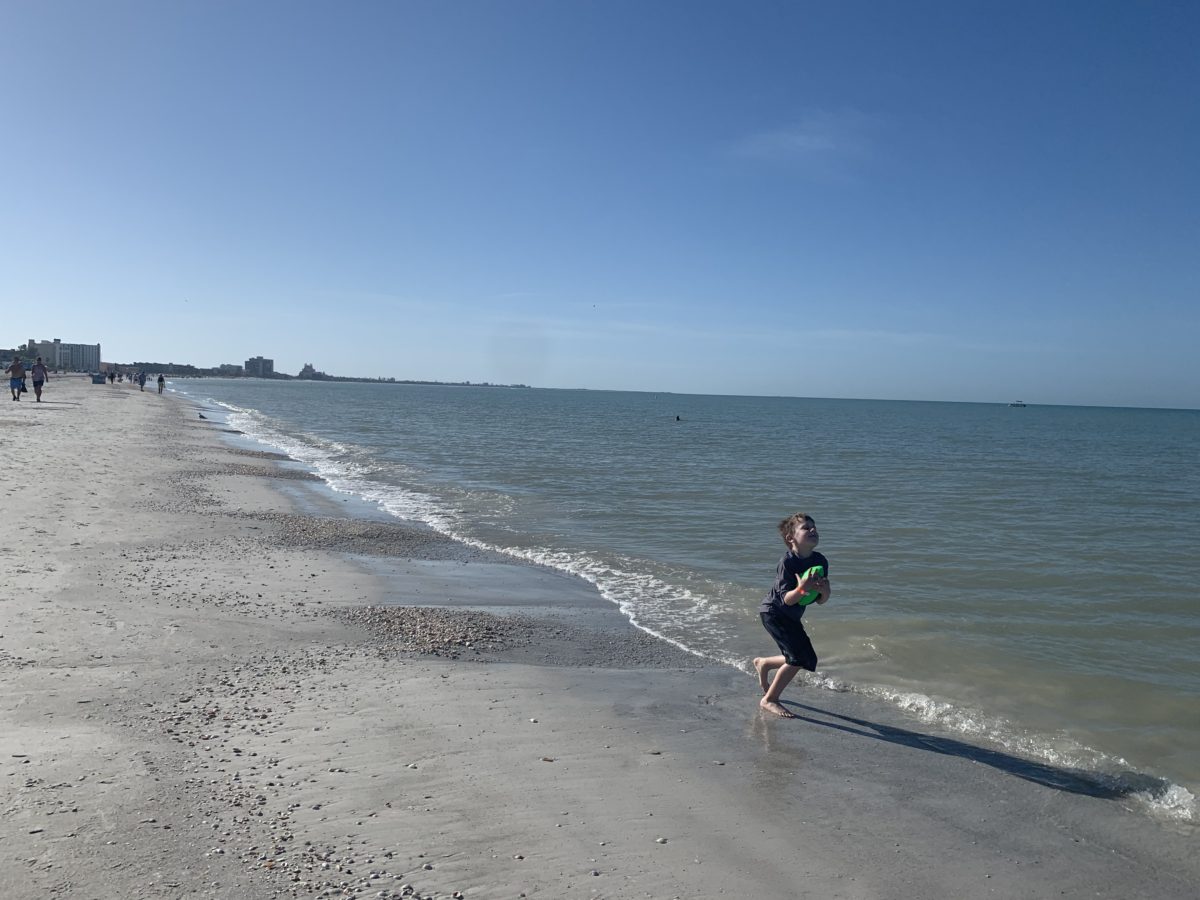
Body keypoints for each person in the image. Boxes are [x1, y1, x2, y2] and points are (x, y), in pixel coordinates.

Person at [754, 512, 832, 717]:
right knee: (797, 658)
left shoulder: (820, 561)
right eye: (806, 528)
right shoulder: (787, 563)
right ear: (791, 538)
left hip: (791, 616)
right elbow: (787, 600)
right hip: (774, 612)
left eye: (814, 527)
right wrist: (801, 589)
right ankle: (769, 700)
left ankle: (764, 663)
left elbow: (820, 600)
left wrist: (825, 591)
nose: (813, 530)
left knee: (808, 659)